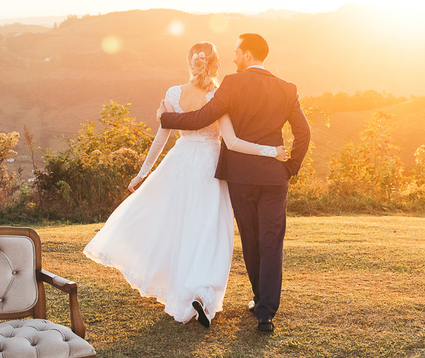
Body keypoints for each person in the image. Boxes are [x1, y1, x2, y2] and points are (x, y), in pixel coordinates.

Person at [83, 41, 286, 327]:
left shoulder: (173, 94)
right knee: (210, 232)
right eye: (218, 60)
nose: (222, 62)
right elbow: (231, 141)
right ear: (212, 64)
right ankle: (202, 294)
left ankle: (185, 292)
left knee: (177, 228)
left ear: (192, 62)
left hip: (179, 164)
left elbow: (161, 138)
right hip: (210, 169)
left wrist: (143, 172)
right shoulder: (219, 95)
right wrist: (271, 151)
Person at [159, 33, 311, 333]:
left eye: (237, 52)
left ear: (248, 54)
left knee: (252, 240)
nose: (233, 58)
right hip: (274, 177)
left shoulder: (232, 83)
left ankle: (260, 299)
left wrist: (166, 118)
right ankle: (265, 312)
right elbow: (303, 133)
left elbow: (202, 117)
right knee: (272, 242)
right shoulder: (287, 88)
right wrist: (289, 168)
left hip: (241, 177)